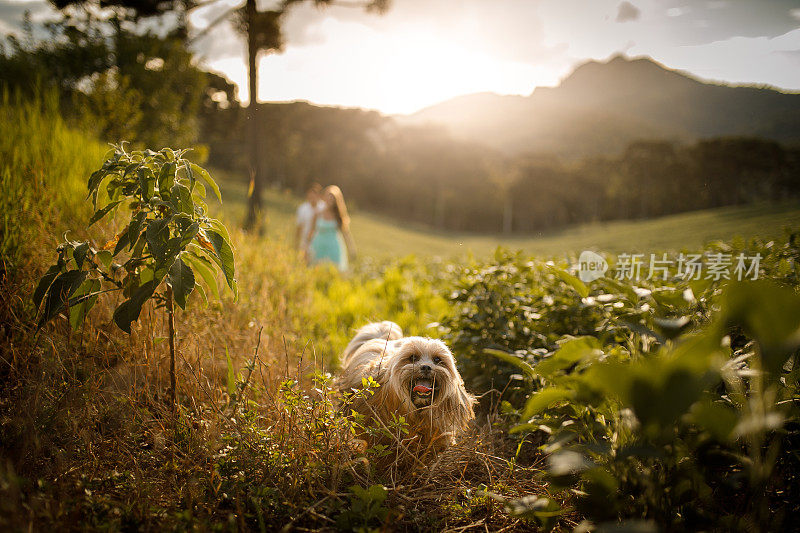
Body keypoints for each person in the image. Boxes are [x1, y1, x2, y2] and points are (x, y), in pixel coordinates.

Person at [306, 185, 356, 272]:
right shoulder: (318, 214)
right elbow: (311, 232)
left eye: (332, 198)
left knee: (332, 271)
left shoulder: (338, 216)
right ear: (324, 198)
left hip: (333, 248)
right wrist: (306, 248)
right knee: (315, 270)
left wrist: (352, 249)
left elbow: (346, 234)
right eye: (328, 197)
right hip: (318, 246)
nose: (330, 200)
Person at [295, 183, 324, 257]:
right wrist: (296, 243)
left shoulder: (324, 207)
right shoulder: (302, 208)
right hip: (305, 240)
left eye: (315, 194)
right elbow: (299, 227)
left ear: (319, 195)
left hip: (321, 240)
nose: (313, 196)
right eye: (311, 194)